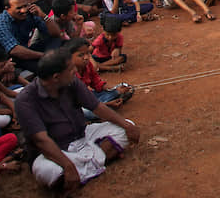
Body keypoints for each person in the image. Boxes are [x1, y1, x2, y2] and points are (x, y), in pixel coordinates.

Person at [15, 47, 140, 190]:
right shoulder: (25, 101)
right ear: (56, 77)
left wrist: (127, 126)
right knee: (48, 171)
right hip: (56, 151)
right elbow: (41, 140)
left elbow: (97, 107)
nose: (75, 71)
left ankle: (82, 170)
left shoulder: (71, 82)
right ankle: (94, 162)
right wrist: (67, 165)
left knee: (126, 127)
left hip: (83, 135)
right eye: (70, 69)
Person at [0, 0, 61, 74]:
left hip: (26, 51)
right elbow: (15, 50)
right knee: (48, 68)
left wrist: (43, 15)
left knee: (55, 40)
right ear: (7, 9)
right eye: (18, 8)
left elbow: (56, 34)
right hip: (9, 59)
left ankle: (52, 60)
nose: (23, 10)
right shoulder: (1, 23)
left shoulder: (30, 13)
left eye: (25, 6)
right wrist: (44, 55)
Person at [66, 38, 133, 120]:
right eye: (81, 55)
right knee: (88, 112)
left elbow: (97, 83)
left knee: (126, 87)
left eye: (88, 53)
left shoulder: (88, 66)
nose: (86, 57)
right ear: (69, 57)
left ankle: (105, 108)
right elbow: (78, 102)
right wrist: (107, 104)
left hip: (90, 96)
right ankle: (104, 109)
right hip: (78, 105)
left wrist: (114, 88)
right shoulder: (68, 76)